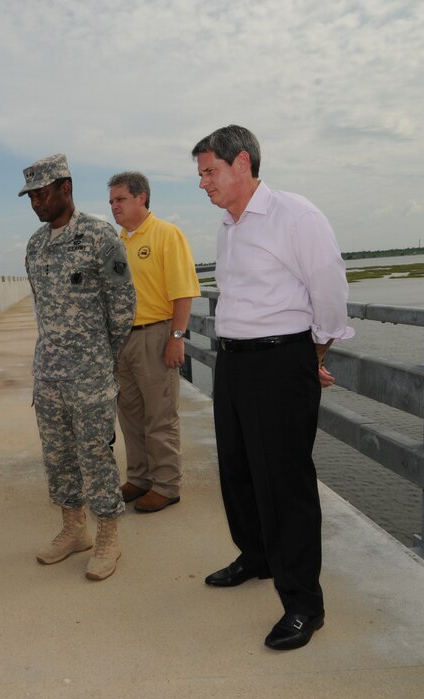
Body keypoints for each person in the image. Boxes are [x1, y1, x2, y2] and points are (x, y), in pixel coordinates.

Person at [192, 126, 353, 650]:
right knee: (238, 471)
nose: (204, 183)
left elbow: (328, 286)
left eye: (210, 171)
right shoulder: (228, 225)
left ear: (243, 164)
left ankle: (304, 603)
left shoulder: (295, 215)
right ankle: (256, 556)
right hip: (235, 363)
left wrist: (314, 354)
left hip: (281, 360)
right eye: (201, 174)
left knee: (285, 485)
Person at [19, 153, 136, 581]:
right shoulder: (35, 245)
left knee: (95, 456)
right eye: (30, 196)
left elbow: (122, 308)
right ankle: (73, 530)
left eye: (42, 193)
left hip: (89, 375)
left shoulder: (100, 237)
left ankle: (107, 536)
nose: (36, 202)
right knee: (59, 457)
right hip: (48, 374)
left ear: (65, 188)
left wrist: (99, 358)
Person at [107, 172, 200, 513]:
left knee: (160, 416)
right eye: (112, 201)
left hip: (156, 334)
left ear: (141, 197)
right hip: (123, 341)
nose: (114, 206)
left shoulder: (166, 235)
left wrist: (176, 338)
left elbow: (183, 292)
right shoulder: (117, 243)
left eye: (121, 199)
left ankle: (166, 485)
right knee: (130, 415)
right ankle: (140, 477)